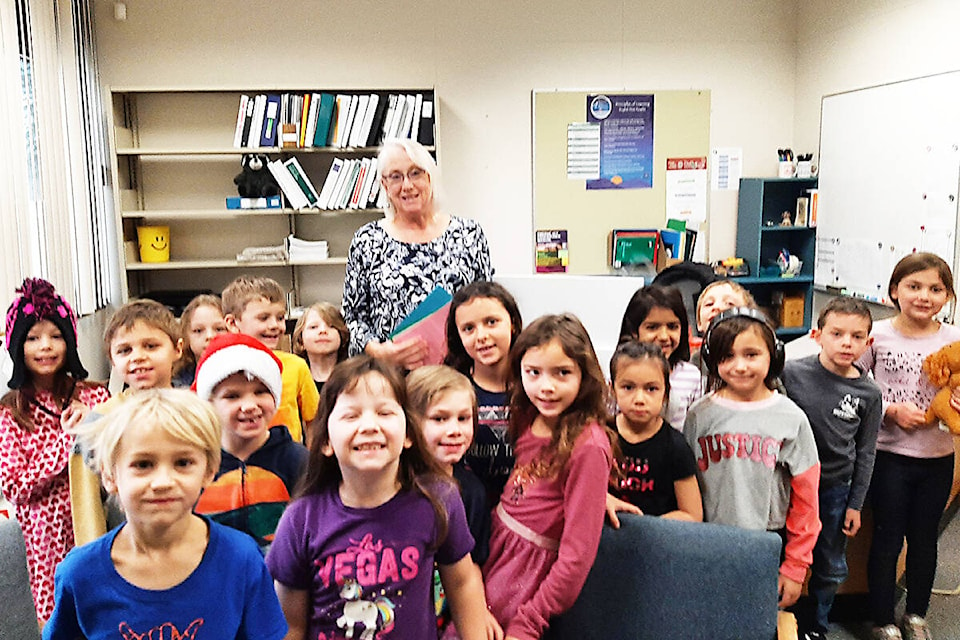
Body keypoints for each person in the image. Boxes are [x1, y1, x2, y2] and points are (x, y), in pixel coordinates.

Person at [266, 356, 495, 640]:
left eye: (384, 413)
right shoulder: (300, 519)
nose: (370, 425)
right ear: (324, 440)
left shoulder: (439, 500)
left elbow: (462, 583)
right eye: (351, 415)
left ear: (409, 433)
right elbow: (290, 624)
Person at [44, 389, 287, 639]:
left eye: (182, 463)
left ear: (209, 469)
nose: (162, 482)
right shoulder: (80, 574)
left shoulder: (241, 559)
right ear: (109, 475)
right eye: (143, 464)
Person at [482, 314, 615, 640]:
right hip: (496, 551)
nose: (547, 387)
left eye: (562, 373)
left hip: (523, 577)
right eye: (534, 373)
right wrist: (598, 497)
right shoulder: (530, 416)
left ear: (584, 375)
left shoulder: (589, 445)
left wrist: (530, 620)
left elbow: (576, 558)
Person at [684, 307, 821, 609]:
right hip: (708, 542)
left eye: (751, 354)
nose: (740, 366)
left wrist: (796, 566)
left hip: (766, 544)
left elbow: (807, 499)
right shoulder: (699, 415)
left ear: (774, 355)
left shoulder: (791, 418)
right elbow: (685, 486)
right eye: (727, 357)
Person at [856, 252, 960, 640]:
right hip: (889, 456)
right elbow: (854, 384)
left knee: (924, 538)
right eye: (914, 287)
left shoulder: (954, 340)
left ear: (947, 296)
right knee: (887, 536)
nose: (924, 296)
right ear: (894, 290)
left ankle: (916, 615)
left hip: (937, 457)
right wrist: (889, 410)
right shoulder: (876, 335)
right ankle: (882, 618)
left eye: (935, 289)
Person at [0, 278, 110, 624]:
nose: (45, 346)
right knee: (57, 619)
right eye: (32, 338)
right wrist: (68, 439)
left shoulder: (95, 397)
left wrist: (93, 424)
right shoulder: (9, 413)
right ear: (17, 346)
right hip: (45, 544)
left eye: (56, 336)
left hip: (101, 526)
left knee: (107, 612)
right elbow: (15, 487)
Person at [782, 296, 883, 640]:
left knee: (828, 560)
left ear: (867, 342)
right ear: (817, 334)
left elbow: (866, 451)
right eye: (837, 333)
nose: (846, 343)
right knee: (784, 551)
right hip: (789, 484)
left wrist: (855, 503)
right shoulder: (791, 373)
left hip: (834, 489)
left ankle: (818, 627)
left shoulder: (868, 393)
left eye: (856, 337)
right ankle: (780, 620)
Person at [342, 138, 493, 368]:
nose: (407, 185)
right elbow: (352, 316)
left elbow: (487, 304)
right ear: (384, 185)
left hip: (457, 373)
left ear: (430, 177)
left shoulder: (469, 234)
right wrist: (379, 351)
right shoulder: (367, 240)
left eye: (415, 173)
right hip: (391, 377)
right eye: (396, 176)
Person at [69, 298, 183, 546]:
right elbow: (87, 506)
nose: (138, 357)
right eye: (124, 350)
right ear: (111, 358)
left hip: (190, 548)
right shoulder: (98, 422)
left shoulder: (195, 413)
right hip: (125, 552)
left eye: (151, 346)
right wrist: (95, 565)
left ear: (177, 349)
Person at [192, 333, 308, 552]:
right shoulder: (197, 464)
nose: (249, 405)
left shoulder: (298, 460)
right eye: (233, 396)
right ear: (209, 404)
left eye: (261, 392)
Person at [407, 365, 493, 639]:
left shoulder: (473, 491)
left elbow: (473, 567)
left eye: (463, 418)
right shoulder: (396, 487)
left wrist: (481, 612)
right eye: (440, 419)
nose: (455, 430)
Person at [445, 280, 523, 505]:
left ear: (513, 324)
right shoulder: (451, 389)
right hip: (469, 509)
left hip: (523, 511)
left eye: (491, 322)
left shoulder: (536, 387)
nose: (481, 336)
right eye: (469, 328)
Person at [608, 340, 702, 522]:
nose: (639, 399)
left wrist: (647, 530)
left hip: (656, 541)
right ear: (612, 390)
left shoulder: (676, 447)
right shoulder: (599, 435)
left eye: (651, 389)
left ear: (666, 393)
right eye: (628, 387)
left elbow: (692, 514)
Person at [222, 275, 319, 444]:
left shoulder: (296, 367)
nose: (275, 325)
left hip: (288, 465)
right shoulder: (221, 369)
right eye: (263, 318)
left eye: (280, 318)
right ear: (232, 323)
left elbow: (313, 421)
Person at [618, 284, 702, 429]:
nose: (664, 336)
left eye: (672, 326)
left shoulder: (691, 376)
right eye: (652, 327)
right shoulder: (620, 372)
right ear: (633, 331)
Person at [690, 280, 756, 372]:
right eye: (709, 304)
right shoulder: (695, 362)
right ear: (699, 323)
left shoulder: (756, 359)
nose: (716, 307)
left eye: (730, 303)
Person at [292, 301, 349, 394]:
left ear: (342, 335)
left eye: (331, 326)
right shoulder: (294, 381)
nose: (323, 331)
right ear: (301, 340)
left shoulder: (354, 378)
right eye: (313, 327)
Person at [172, 293, 227, 388]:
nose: (210, 336)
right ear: (186, 336)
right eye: (198, 331)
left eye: (219, 329)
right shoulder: (177, 381)